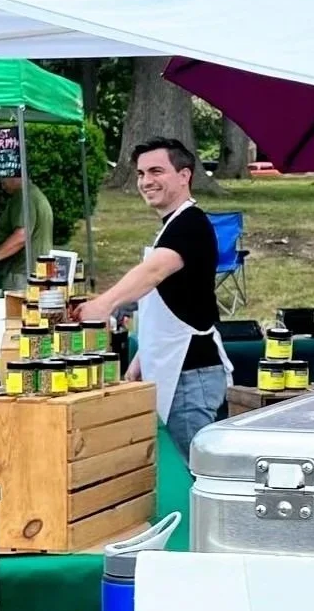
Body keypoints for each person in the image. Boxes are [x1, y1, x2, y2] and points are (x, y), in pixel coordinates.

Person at [77, 138, 231, 458]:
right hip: (174, 368)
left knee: (194, 473)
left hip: (191, 375)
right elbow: (175, 301)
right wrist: (141, 358)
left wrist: (103, 304)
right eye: (141, 173)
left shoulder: (190, 224)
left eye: (156, 171)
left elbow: (153, 273)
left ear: (184, 175)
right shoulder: (173, 226)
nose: (146, 181)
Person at [0, 175, 54, 291]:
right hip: (37, 271)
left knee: (16, 303)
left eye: (3, 179)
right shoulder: (35, 195)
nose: (2, 185)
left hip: (21, 275)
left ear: (15, 176)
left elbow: (21, 235)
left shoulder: (23, 197)